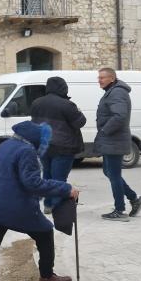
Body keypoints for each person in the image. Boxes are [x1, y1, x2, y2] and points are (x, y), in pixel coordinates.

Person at [0, 121, 80, 281]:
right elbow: (33, 183)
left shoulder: (7, 145)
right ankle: (47, 277)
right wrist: (65, 188)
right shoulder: (26, 151)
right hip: (16, 206)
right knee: (45, 232)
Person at [94, 67, 141, 221]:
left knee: (114, 175)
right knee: (108, 172)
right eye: (99, 77)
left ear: (111, 78)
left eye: (102, 77)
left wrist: (104, 130)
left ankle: (119, 210)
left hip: (114, 140)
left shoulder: (117, 92)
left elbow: (120, 116)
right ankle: (135, 199)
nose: (99, 80)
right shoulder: (112, 91)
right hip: (112, 140)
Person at [31, 76, 86, 214]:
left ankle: (48, 205)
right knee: (59, 178)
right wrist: (78, 110)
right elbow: (80, 122)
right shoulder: (67, 104)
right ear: (63, 88)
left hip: (44, 146)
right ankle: (57, 207)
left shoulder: (36, 103)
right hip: (64, 147)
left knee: (47, 176)